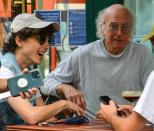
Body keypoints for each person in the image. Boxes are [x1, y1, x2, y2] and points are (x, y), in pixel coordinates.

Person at [42, 4, 154, 118]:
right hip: (91, 124)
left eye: (125, 27)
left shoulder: (142, 54)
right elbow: (46, 83)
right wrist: (63, 87)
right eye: (113, 26)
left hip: (130, 123)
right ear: (102, 28)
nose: (119, 33)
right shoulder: (83, 54)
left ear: (131, 29)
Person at [0, 13, 84, 125]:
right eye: (41, 39)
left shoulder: (31, 70)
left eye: (48, 40)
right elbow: (32, 116)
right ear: (20, 41)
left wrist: (61, 114)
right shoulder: (5, 69)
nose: (46, 45)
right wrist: (62, 104)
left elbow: (43, 114)